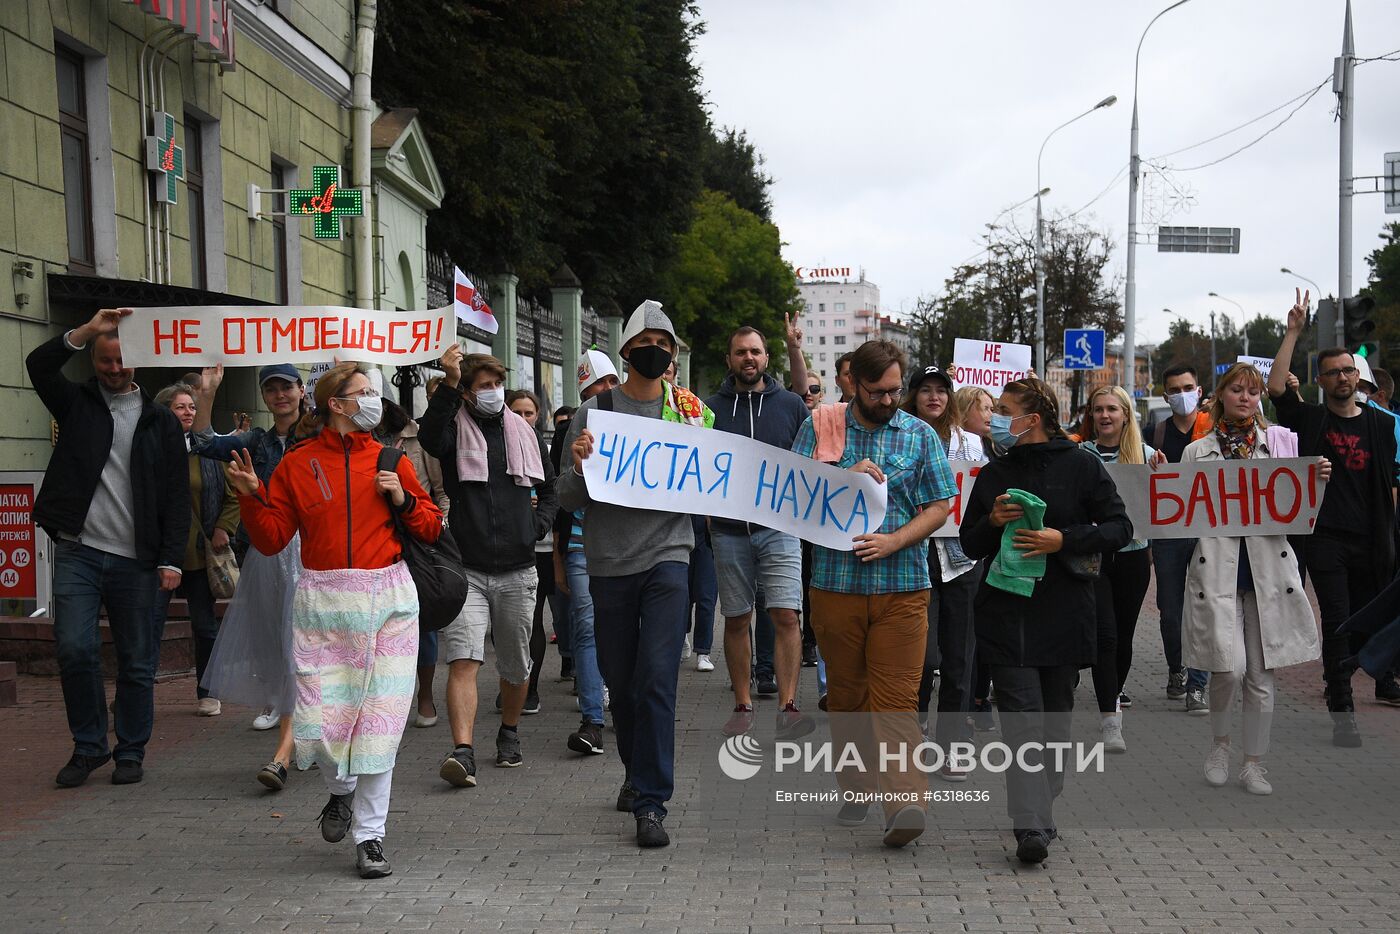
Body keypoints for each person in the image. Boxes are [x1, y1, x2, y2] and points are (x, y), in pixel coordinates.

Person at [226, 362, 442, 879]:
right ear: (336, 405)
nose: (373, 399)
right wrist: (251, 494)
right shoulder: (298, 464)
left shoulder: (391, 458)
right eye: (363, 392)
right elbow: (273, 537)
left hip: (389, 600)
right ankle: (340, 793)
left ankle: (371, 838)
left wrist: (403, 497)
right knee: (322, 725)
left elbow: (431, 527)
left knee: (381, 726)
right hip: (323, 602)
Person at [558, 300, 713, 848]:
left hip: (670, 557)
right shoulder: (595, 412)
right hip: (609, 564)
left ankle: (652, 802)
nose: (657, 353)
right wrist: (580, 465)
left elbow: (717, 481)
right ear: (626, 352)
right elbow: (566, 496)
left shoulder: (690, 413)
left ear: (672, 357)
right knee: (621, 685)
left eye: (666, 346)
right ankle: (633, 771)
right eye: (648, 343)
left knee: (656, 680)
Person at [792, 340, 957, 848]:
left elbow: (941, 504)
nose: (889, 400)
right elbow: (793, 493)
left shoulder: (920, 434)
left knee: (896, 701)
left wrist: (895, 540)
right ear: (852, 385)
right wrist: (842, 477)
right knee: (847, 697)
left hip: (903, 589)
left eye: (894, 390)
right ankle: (858, 787)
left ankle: (905, 804)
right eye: (878, 391)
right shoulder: (820, 426)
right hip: (836, 588)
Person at [959, 377, 1131, 864]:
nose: (995, 418)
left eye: (1005, 410)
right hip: (1006, 614)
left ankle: (1042, 800)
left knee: (1054, 728)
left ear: (1031, 420)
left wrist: (1065, 540)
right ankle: (1030, 826)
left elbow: (1121, 528)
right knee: (1021, 723)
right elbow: (970, 544)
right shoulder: (994, 474)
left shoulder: (1081, 465)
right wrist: (991, 523)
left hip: (1064, 614)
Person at [27, 307, 190, 788]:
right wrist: (87, 331)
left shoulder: (161, 421)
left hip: (137, 560)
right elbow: (39, 365)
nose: (115, 369)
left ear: (137, 361)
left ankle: (130, 751)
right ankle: (89, 747)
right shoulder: (75, 403)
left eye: (122, 360)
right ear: (93, 360)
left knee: (137, 660)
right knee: (75, 649)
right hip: (78, 551)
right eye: (105, 360)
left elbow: (177, 497)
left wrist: (171, 558)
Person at [1184, 362, 1327, 794]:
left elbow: (1298, 501)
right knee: (1228, 670)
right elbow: (1180, 509)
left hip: (1266, 570)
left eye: (1253, 391)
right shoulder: (1198, 451)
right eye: (1237, 390)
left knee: (1260, 675)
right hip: (1219, 569)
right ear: (1221, 396)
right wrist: (1159, 480)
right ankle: (1220, 746)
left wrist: (1315, 479)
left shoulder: (1279, 444)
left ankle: (1253, 762)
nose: (1245, 398)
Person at [1267, 290, 1400, 745]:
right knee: (1338, 620)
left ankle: (1353, 678)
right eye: (1333, 372)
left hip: (1373, 539)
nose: (1342, 377)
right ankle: (1342, 707)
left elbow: (1390, 484)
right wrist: (1292, 333)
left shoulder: (1381, 426)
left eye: (1348, 370)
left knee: (1368, 621)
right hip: (1325, 539)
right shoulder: (1311, 422)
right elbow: (1276, 389)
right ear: (1321, 381)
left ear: (1358, 377)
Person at [420, 350, 557, 784]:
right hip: (468, 570)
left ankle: (509, 732)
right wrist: (449, 381)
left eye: (496, 384)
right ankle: (463, 751)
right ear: (466, 392)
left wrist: (536, 526)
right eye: (482, 386)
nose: (493, 393)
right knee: (464, 659)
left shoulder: (525, 434)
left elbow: (550, 488)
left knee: (516, 666)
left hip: (518, 569)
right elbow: (428, 437)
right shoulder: (452, 432)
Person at [195, 363, 310, 790]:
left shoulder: (317, 434)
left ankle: (286, 747)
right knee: (278, 644)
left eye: (286, 388)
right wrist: (207, 392)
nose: (280, 396)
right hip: (268, 553)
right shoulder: (258, 442)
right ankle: (298, 727)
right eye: (271, 389)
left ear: (301, 390)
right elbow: (205, 443)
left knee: (302, 645)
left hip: (312, 551)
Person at [705, 326, 814, 740]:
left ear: (767, 358)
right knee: (736, 618)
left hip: (780, 527)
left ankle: (788, 706)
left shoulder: (790, 405)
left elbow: (815, 458)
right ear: (729, 359)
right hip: (730, 532)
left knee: (786, 613)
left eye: (755, 352)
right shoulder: (710, 409)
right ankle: (742, 704)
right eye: (740, 352)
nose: (748, 358)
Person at [902, 366, 983, 777]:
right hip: (914, 558)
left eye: (941, 391)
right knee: (922, 655)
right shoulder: (901, 437)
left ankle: (953, 743)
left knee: (959, 657)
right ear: (913, 395)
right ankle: (916, 734)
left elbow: (987, 488)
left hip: (962, 559)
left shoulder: (971, 444)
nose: (934, 397)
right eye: (926, 390)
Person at [1079, 386, 1164, 753]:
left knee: (1125, 637)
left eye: (1112, 409)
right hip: (1094, 557)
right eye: (1098, 409)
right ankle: (1110, 718)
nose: (1105, 416)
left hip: (1133, 555)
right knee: (1106, 636)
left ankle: (1114, 694)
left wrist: (1163, 473)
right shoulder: (1080, 455)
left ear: (1126, 415)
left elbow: (1166, 501)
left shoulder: (1146, 456)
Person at [151, 382, 240, 717]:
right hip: (161, 556)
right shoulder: (152, 449)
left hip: (201, 554)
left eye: (192, 406)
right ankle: (138, 695)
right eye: (180, 407)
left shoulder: (208, 449)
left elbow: (233, 497)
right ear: (164, 411)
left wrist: (223, 529)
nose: (188, 412)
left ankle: (207, 690)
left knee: (205, 626)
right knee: (149, 626)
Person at [372, 396, 451, 729]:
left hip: (416, 538)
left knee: (423, 622)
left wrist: (441, 527)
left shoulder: (418, 440)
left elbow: (438, 490)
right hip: (377, 543)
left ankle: (425, 695)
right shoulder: (353, 445)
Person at [1152, 364, 1212, 715]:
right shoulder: (1157, 432)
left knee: (1202, 607)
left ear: (1199, 390)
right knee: (1170, 611)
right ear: (1166, 395)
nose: (1181, 395)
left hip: (1206, 532)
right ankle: (1177, 668)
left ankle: (1198, 685)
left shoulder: (1213, 430)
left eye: (1187, 387)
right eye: (1174, 390)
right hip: (1169, 534)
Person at [508, 388, 553, 716]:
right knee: (523, 622)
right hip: (515, 549)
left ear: (538, 416)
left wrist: (537, 520)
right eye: (517, 412)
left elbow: (553, 492)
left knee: (559, 622)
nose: (524, 419)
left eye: (529, 413)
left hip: (549, 548)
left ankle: (534, 686)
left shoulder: (544, 448)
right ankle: (520, 685)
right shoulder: (498, 448)